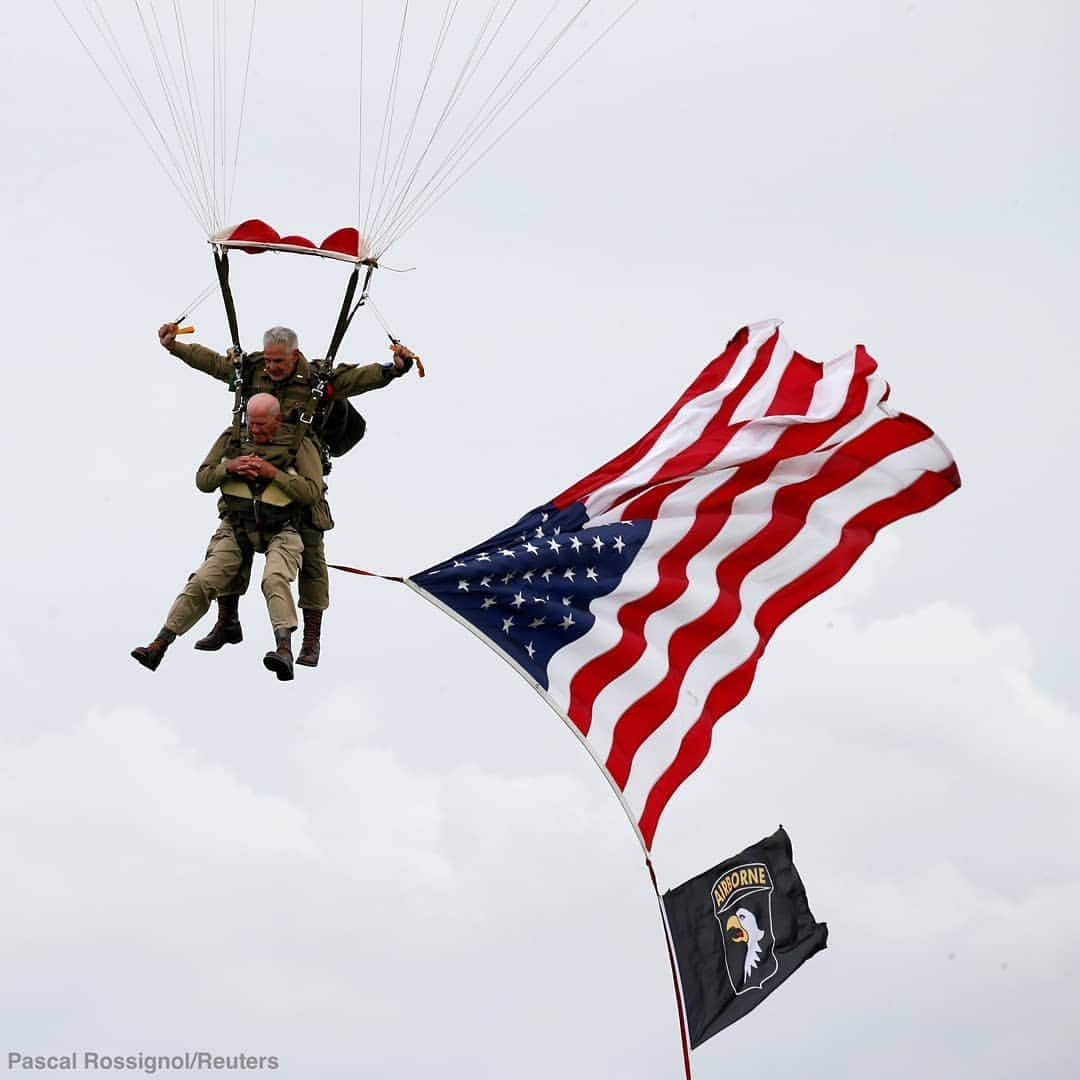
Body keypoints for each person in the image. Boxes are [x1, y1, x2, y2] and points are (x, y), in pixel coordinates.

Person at [157, 322, 417, 667]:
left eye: (278, 362)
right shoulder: (253, 372)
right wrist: (175, 347)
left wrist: (395, 369)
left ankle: (310, 641)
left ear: (294, 356)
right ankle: (227, 622)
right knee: (233, 537)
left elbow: (357, 380)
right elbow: (217, 366)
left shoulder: (316, 381)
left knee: (311, 559)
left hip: (298, 474)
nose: (271, 368)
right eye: (268, 360)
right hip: (251, 471)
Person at [131, 394, 323, 681]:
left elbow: (311, 492)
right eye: (252, 424)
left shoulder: (299, 443)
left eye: (262, 425)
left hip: (283, 528)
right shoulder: (233, 439)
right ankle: (160, 643)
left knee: (274, 579)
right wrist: (229, 468)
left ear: (277, 420)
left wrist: (273, 474)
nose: (255, 431)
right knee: (203, 580)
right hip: (237, 525)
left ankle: (284, 648)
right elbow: (203, 479)